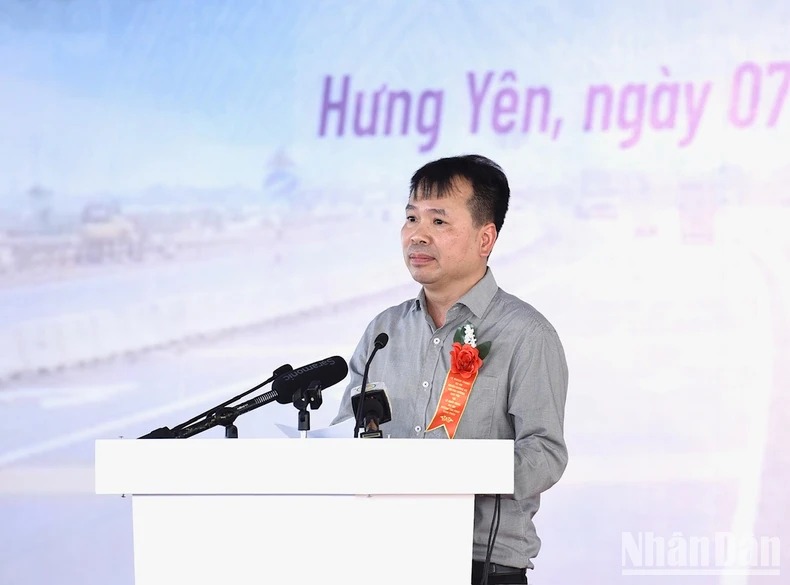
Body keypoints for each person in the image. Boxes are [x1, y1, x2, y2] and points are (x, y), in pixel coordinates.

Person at [332, 154, 568, 584]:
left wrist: (456, 473)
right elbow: (348, 431)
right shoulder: (384, 331)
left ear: (485, 238)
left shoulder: (525, 334)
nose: (417, 235)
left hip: (479, 565)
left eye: (438, 221)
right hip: (384, 555)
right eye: (411, 218)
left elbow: (545, 454)